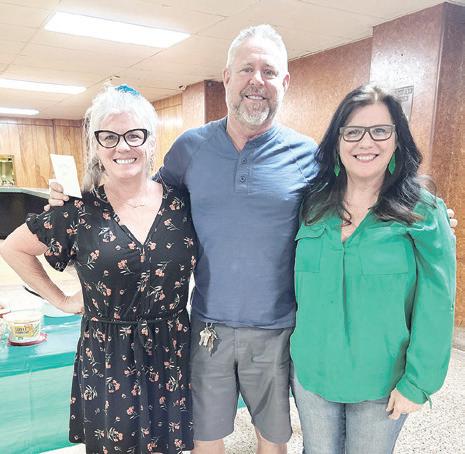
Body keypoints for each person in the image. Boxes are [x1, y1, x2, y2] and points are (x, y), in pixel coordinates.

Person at [46, 26, 458, 454]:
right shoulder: (190, 149)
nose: (256, 81)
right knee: (205, 437)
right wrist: (80, 196)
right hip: (208, 325)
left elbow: (362, 184)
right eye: (246, 69)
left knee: (273, 439)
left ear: (285, 82)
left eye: (268, 71)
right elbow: (143, 197)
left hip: (278, 329)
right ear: (227, 77)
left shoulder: (308, 157)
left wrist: (425, 209)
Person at [0, 85, 197, 454]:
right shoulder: (76, 210)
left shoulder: (182, 204)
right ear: (96, 145)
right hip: (109, 356)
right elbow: (13, 248)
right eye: (109, 136)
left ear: (151, 141)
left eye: (134, 135)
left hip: (171, 348)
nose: (122, 147)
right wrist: (60, 300)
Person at [291, 84, 456, 454]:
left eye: (380, 130)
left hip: (382, 380)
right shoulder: (311, 206)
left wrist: (418, 382)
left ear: (397, 140)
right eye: (352, 132)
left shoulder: (424, 212)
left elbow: (437, 302)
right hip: (312, 372)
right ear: (337, 141)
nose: (366, 142)